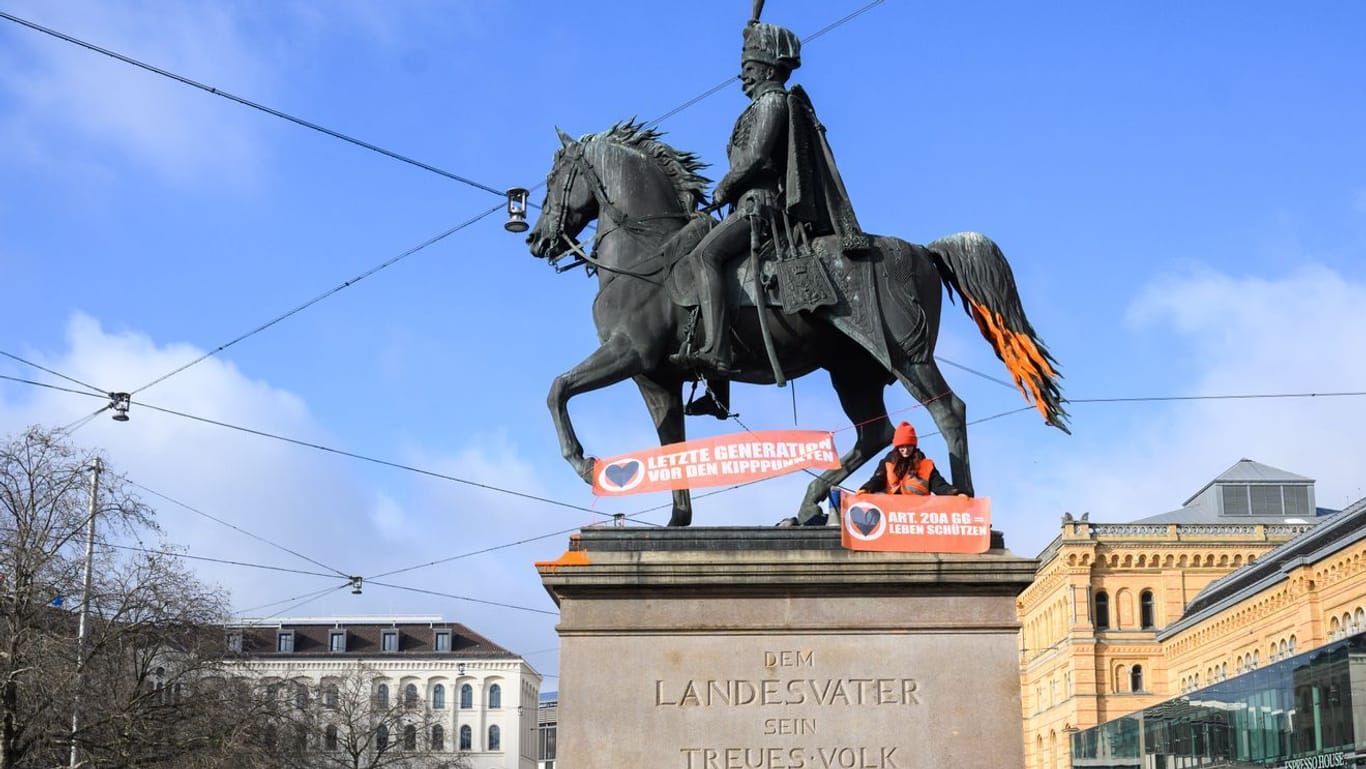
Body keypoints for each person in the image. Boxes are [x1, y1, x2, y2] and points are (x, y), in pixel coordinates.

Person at [670, 13, 869, 376]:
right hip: (743, 210)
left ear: (766, 68)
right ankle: (716, 386)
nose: (741, 74)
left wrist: (725, 186)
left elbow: (758, 157)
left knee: (704, 257)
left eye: (747, 66)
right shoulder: (756, 107)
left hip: (760, 211)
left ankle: (716, 352)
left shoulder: (773, 102)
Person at [857, 421, 966, 497]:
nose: (905, 450)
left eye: (909, 446)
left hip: (916, 514)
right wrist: (866, 488)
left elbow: (939, 485)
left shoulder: (925, 464)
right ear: (897, 447)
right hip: (891, 513)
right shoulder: (887, 462)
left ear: (914, 446)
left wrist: (955, 493)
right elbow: (878, 480)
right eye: (901, 446)